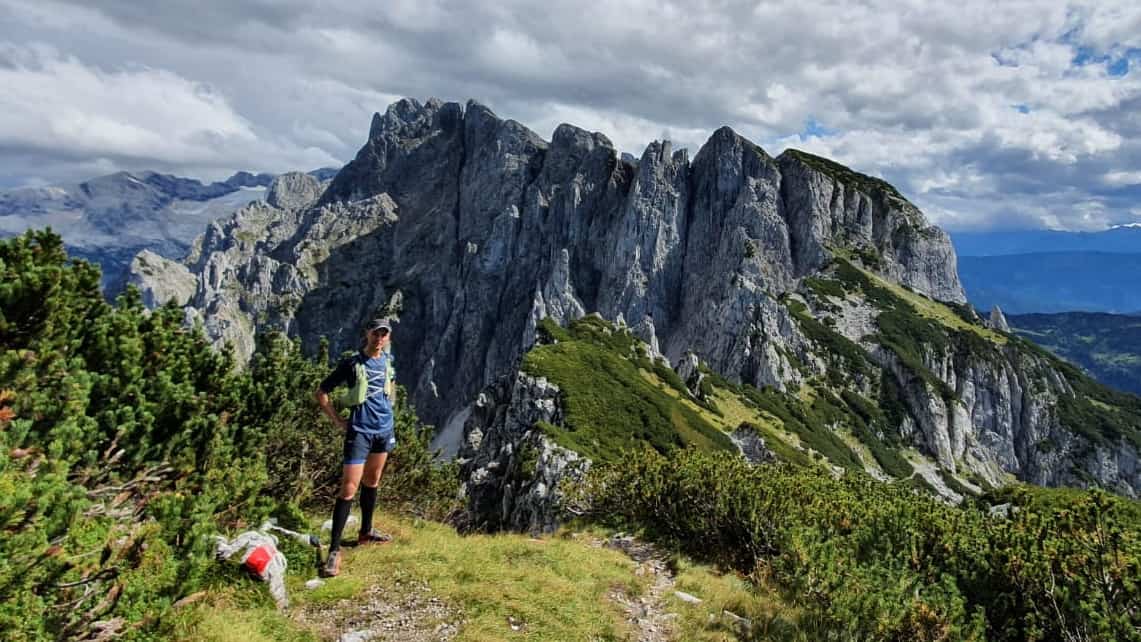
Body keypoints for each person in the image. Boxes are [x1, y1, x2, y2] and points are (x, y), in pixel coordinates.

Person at [315, 318, 397, 577]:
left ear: (388, 338)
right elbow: (322, 392)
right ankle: (334, 551)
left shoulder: (387, 363)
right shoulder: (352, 364)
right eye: (376, 333)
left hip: (383, 431)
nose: (379, 338)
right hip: (360, 432)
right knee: (348, 488)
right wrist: (338, 420)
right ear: (367, 334)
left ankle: (365, 533)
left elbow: (389, 392)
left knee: (372, 481)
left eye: (384, 334)